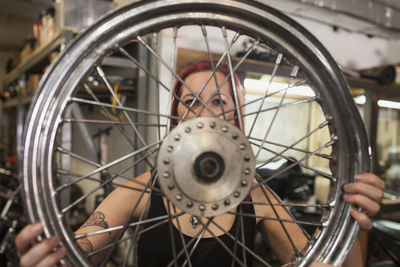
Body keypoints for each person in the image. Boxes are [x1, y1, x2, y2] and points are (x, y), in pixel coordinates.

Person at [15, 61, 385, 267]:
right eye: (190, 102)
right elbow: (80, 254)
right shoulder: (141, 189)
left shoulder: (257, 196)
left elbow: (328, 265)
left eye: (220, 102)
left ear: (237, 119)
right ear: (177, 119)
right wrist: (47, 259)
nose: (205, 112)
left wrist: (353, 217)